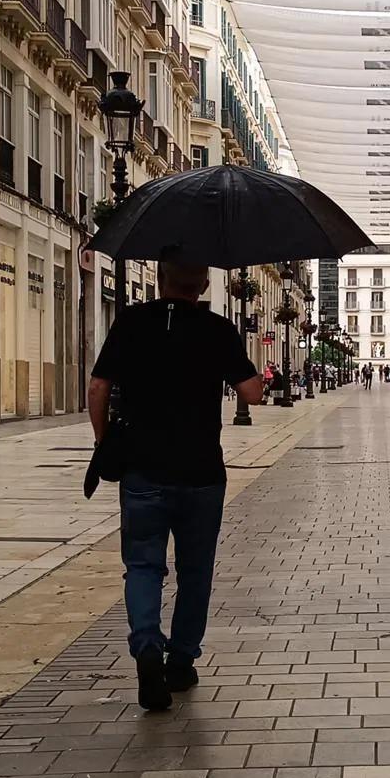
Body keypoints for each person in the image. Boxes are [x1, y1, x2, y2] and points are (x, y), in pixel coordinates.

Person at [88, 259, 263, 711]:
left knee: (143, 567)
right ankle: (181, 661)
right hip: (201, 473)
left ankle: (147, 647)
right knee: (196, 570)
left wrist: (103, 440)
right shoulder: (217, 329)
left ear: (160, 280)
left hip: (143, 471)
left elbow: (98, 386)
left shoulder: (131, 322)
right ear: (203, 284)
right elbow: (253, 394)